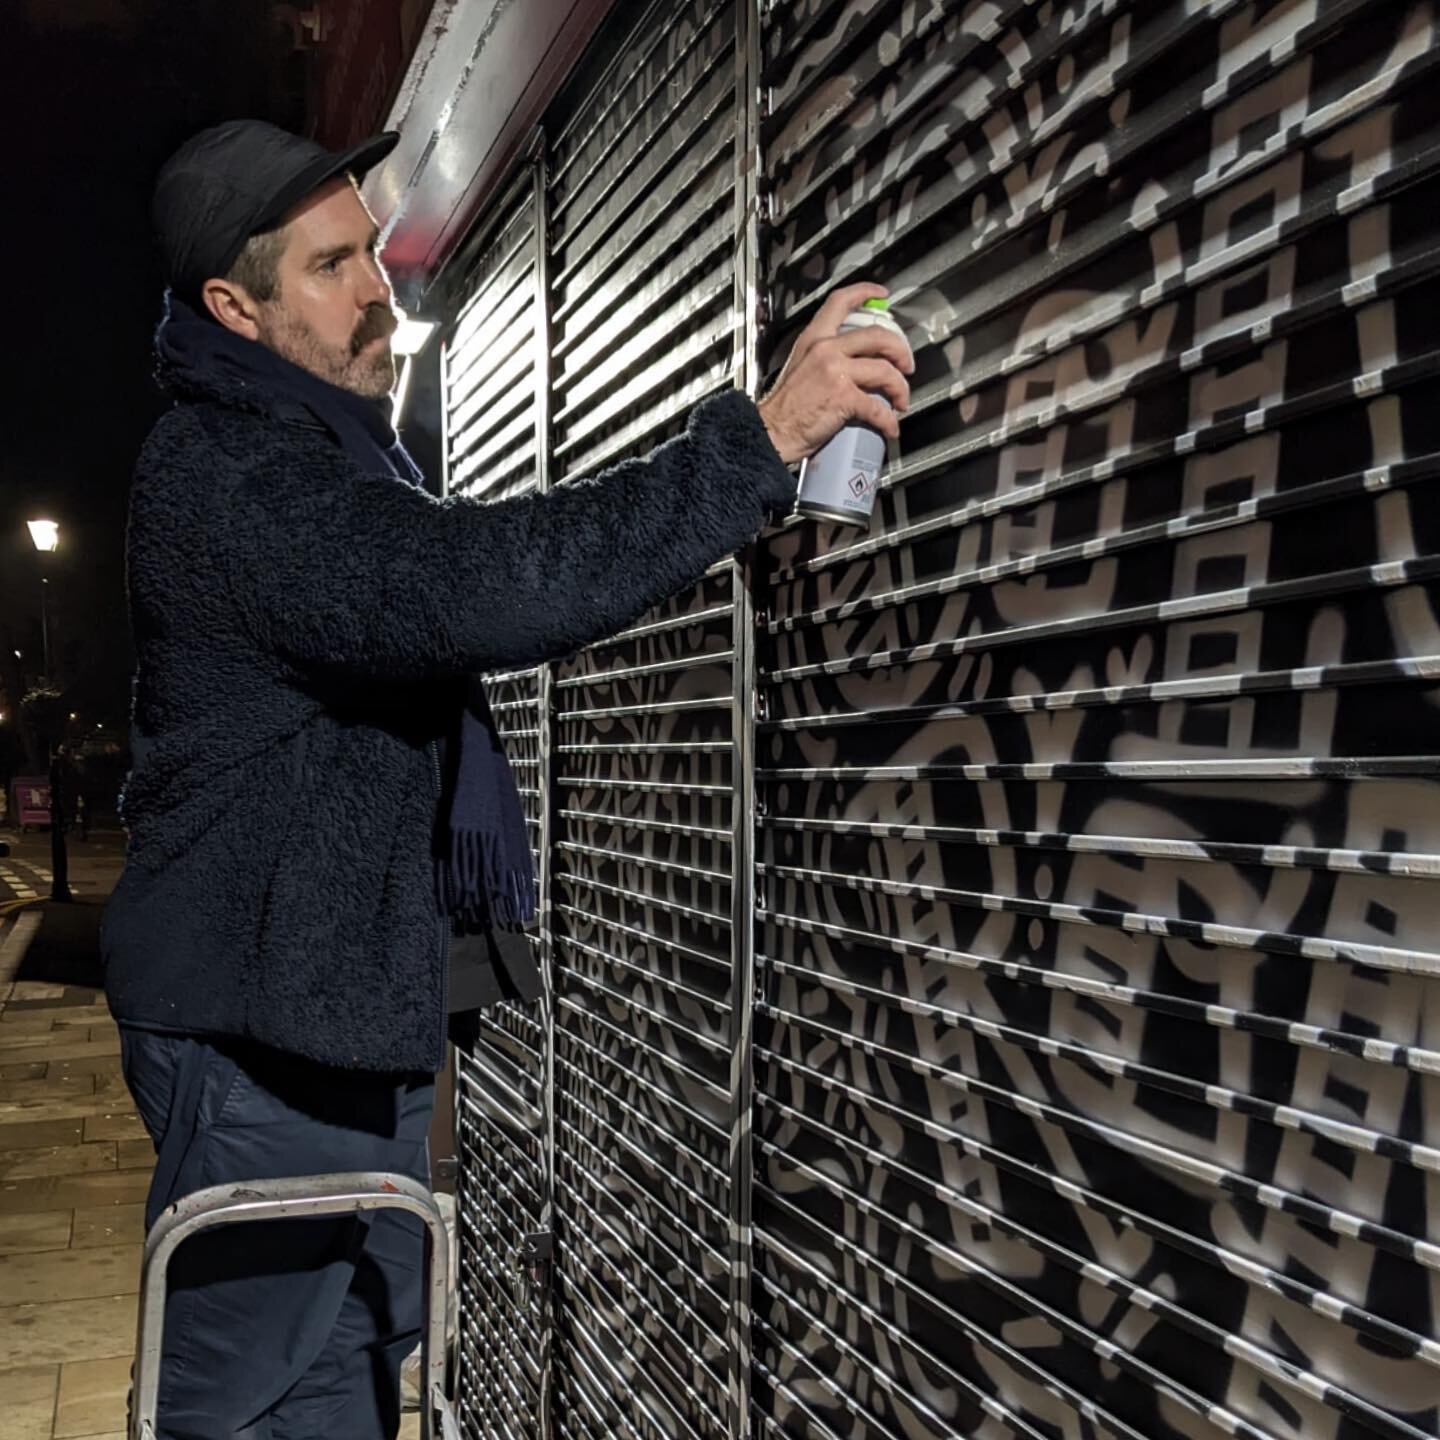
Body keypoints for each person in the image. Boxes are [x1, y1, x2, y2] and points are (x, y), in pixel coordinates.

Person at [102, 119, 912, 1440]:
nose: (381, 287)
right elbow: (473, 584)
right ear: (232, 309)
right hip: (260, 1054)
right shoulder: (233, 477)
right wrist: (755, 442)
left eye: (371, 250)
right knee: (243, 1406)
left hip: (325, 1028)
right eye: (332, 266)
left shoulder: (322, 456)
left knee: (348, 1380)